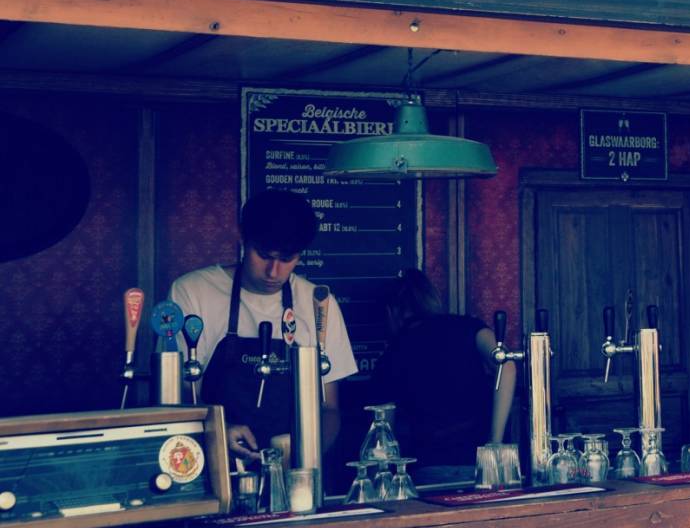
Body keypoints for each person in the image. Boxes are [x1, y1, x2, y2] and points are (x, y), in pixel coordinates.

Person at [169, 189, 357, 461]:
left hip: (293, 467)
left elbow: (328, 408)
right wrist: (218, 429)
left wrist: (305, 458)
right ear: (243, 239)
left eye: (287, 259)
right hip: (212, 460)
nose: (273, 271)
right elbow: (178, 395)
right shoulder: (193, 292)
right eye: (264, 255)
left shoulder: (318, 304)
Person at [369, 268, 517, 468]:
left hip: (430, 466)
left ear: (391, 311)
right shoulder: (467, 326)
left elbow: (383, 437)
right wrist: (494, 442)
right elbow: (506, 363)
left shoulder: (391, 356)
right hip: (482, 463)